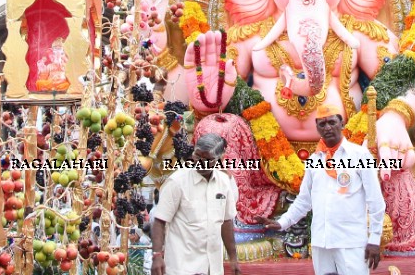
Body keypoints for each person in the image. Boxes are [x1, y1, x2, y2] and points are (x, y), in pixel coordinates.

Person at [256, 104, 386, 275]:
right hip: (321, 242)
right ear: (317, 127)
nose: (328, 128)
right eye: (322, 124)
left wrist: (375, 239)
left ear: (341, 123)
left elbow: (375, 201)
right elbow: (304, 201)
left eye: (332, 122)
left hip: (350, 241)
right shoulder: (314, 160)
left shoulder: (360, 155)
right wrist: (282, 222)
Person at [150, 133, 240, 275]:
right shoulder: (177, 182)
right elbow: (160, 221)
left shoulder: (224, 182)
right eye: (198, 157)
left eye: (208, 159)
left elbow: (226, 221)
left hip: (213, 268)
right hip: (182, 268)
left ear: (219, 159)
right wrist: (157, 256)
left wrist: (233, 258)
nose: (201, 162)